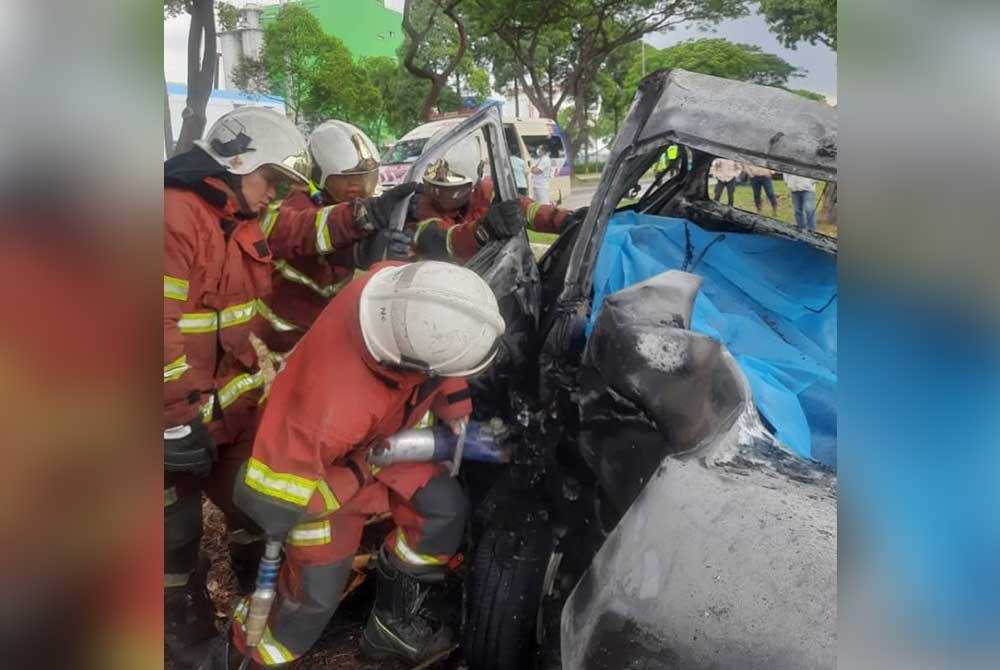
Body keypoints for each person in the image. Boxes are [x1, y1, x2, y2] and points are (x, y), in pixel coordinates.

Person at [163, 106, 416, 669]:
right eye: (270, 179)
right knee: (172, 545)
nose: (273, 194)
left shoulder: (247, 218)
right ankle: (186, 647)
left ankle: (259, 608)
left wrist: (368, 215)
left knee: (259, 510)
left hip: (227, 408)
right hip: (171, 420)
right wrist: (174, 418)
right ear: (236, 162)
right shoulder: (175, 216)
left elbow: (306, 229)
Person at [199, 261, 506, 669]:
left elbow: (436, 346)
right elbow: (269, 507)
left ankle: (391, 625)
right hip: (321, 483)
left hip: (380, 442)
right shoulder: (326, 412)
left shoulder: (399, 291)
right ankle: (244, 655)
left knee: (443, 512)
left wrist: (454, 405)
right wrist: (362, 471)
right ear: (404, 364)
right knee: (311, 601)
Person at [258, 120, 386, 354]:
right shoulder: (298, 209)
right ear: (321, 176)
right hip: (281, 341)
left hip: (321, 333)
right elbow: (314, 232)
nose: (358, 187)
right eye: (347, 179)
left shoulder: (347, 211)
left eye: (365, 178)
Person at [408, 134, 575, 261]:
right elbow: (444, 241)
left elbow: (527, 210)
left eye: (452, 190)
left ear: (476, 177)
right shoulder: (418, 208)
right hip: (439, 289)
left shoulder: (488, 192)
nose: (441, 197)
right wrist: (484, 231)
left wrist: (565, 219)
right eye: (436, 187)